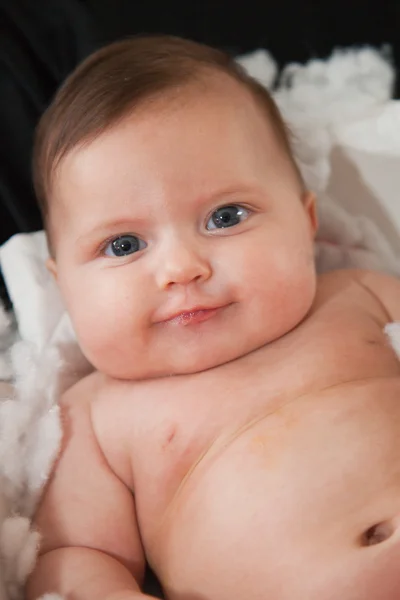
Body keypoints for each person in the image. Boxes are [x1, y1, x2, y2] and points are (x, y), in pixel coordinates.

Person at [26, 35, 400, 600]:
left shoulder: (357, 298)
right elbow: (75, 556)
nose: (181, 268)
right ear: (64, 286)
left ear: (307, 223)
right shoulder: (98, 419)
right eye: (124, 245)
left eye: (226, 216)